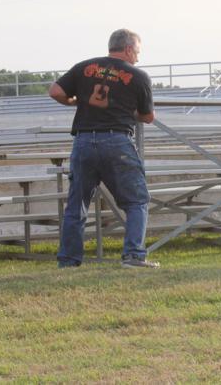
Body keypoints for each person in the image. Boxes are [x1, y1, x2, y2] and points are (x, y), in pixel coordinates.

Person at [49, 28, 159, 268]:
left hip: (84, 139)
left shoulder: (84, 67)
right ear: (129, 49)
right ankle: (133, 256)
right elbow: (148, 116)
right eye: (138, 51)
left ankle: (68, 261)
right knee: (137, 201)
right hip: (117, 140)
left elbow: (55, 91)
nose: (138, 57)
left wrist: (73, 101)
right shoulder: (138, 75)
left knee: (77, 204)